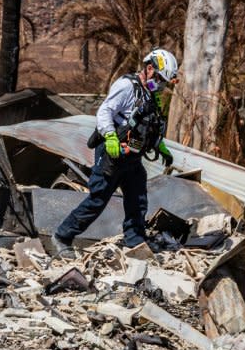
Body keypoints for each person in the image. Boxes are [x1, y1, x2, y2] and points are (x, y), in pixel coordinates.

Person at [51, 48, 178, 257]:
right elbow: (105, 112)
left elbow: (149, 125)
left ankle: (135, 241)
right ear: (148, 69)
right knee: (98, 199)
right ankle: (63, 236)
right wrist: (109, 136)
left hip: (132, 158)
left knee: (137, 199)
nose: (161, 85)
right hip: (112, 153)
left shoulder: (150, 94)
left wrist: (159, 145)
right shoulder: (127, 86)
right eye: (159, 79)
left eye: (164, 82)